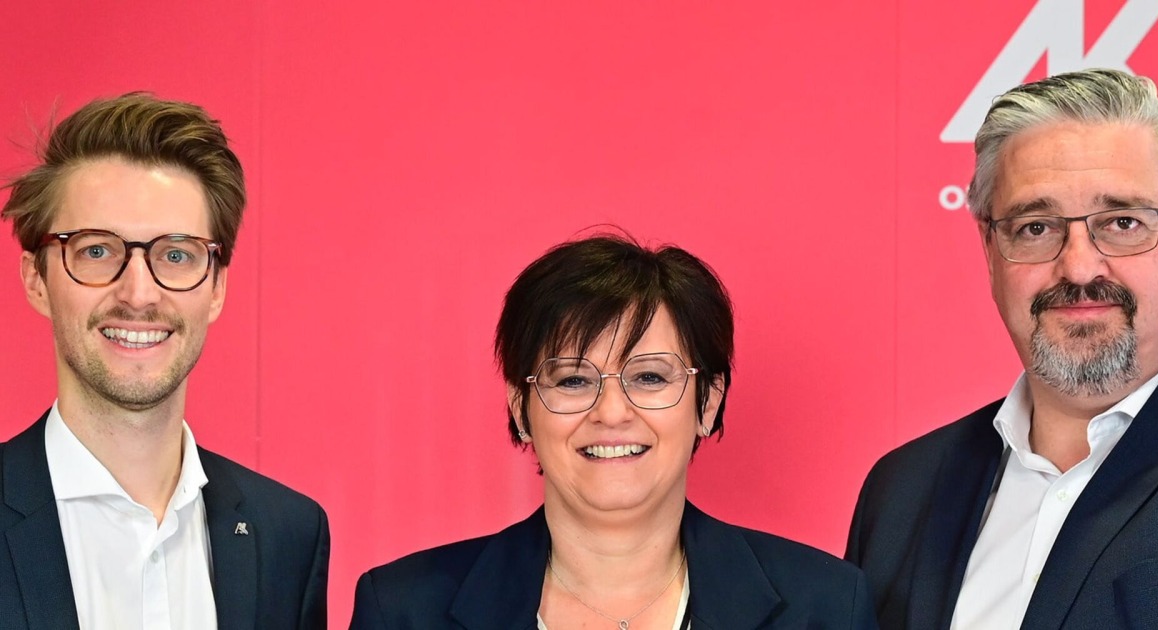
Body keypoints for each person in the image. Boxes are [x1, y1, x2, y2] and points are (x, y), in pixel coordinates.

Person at [351, 234, 877, 629]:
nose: (611, 412)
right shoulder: (403, 610)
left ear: (708, 402)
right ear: (521, 409)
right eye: (573, 380)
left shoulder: (825, 606)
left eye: (649, 377)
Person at [846, 68, 1158, 629]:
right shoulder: (902, 493)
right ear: (991, 252)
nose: (1079, 267)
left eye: (1122, 222)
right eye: (1036, 228)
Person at [0, 93, 329, 629]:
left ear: (216, 288)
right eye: (96, 250)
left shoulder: (288, 536)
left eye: (176, 254)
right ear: (37, 278)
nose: (139, 293)